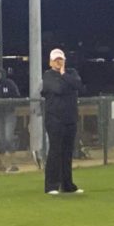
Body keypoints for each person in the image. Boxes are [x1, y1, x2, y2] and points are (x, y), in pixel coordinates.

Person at [40, 48, 83, 194]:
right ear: (51, 61)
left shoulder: (71, 72)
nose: (59, 62)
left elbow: (78, 85)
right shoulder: (48, 75)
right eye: (56, 60)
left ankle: (67, 185)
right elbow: (58, 88)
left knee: (67, 152)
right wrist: (67, 83)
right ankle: (51, 186)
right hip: (54, 119)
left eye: (61, 59)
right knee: (55, 151)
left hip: (70, 118)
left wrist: (64, 75)